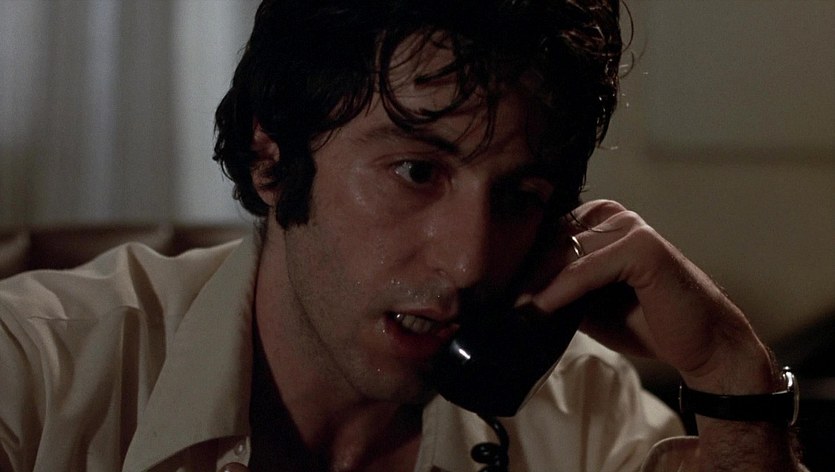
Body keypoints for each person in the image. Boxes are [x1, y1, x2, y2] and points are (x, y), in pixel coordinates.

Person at [0, 1, 805, 471]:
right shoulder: (35, 370)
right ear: (270, 156)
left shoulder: (581, 411)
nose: (470, 262)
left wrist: (731, 373)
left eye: (518, 197)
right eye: (417, 171)